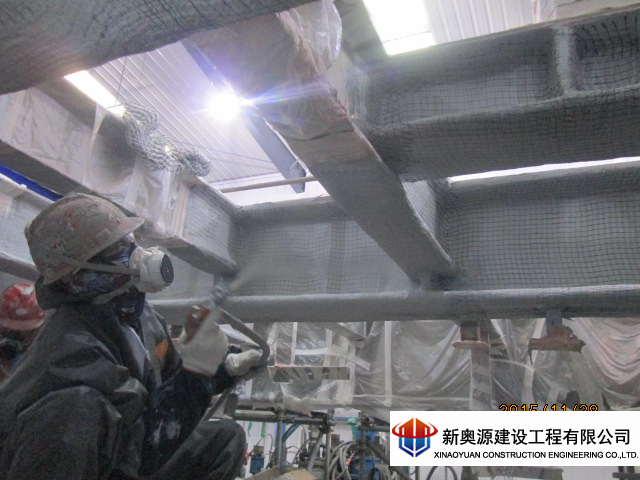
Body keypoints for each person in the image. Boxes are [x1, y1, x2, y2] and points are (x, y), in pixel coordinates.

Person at [0, 193, 264, 480]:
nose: (137, 254)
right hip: (89, 459)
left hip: (127, 449)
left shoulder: (142, 318)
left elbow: (171, 386)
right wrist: (197, 372)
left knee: (224, 439)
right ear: (78, 277)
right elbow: (140, 443)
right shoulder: (71, 349)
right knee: (77, 412)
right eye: (116, 249)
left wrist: (222, 368)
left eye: (129, 241)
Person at [0, 283, 46, 381]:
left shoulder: (46, 359)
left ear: (40, 329)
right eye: (7, 330)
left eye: (24, 333)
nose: (13, 338)